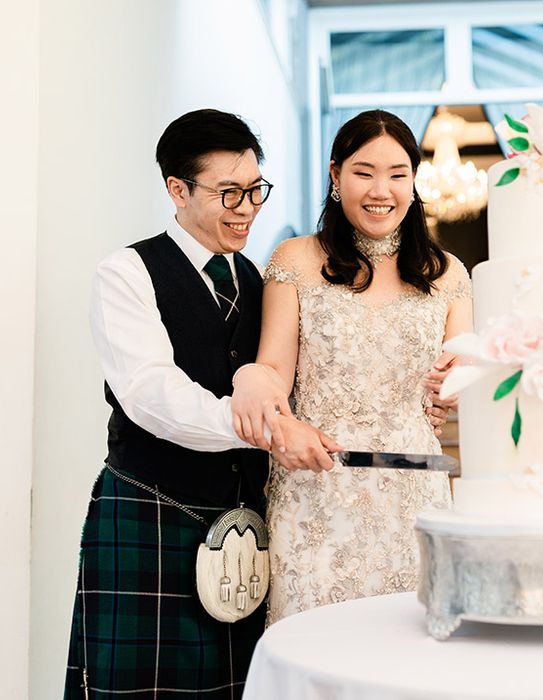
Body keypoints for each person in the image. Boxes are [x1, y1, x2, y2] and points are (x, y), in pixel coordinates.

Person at [64, 109, 341, 699]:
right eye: (229, 193)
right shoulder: (127, 274)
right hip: (152, 513)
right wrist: (259, 429)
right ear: (178, 189)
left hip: (246, 525)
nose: (247, 208)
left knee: (236, 688)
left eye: (256, 189)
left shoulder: (266, 283)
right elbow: (150, 394)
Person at [231, 109, 473, 624]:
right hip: (316, 489)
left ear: (414, 181)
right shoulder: (295, 260)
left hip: (415, 490)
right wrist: (257, 386)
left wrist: (455, 385)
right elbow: (274, 367)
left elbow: (461, 374)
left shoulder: (448, 273)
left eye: (397, 174)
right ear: (336, 176)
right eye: (364, 172)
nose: (380, 189)